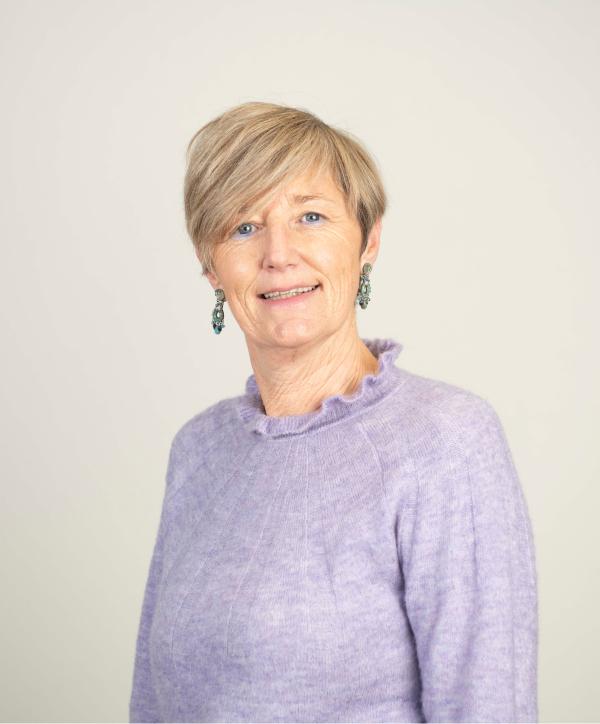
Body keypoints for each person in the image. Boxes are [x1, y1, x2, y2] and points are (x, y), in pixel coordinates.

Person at [129, 101, 538, 723]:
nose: (278, 253)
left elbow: (487, 706)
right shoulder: (199, 451)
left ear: (368, 240)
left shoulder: (446, 441)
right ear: (210, 266)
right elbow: (154, 701)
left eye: (311, 217)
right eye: (244, 227)